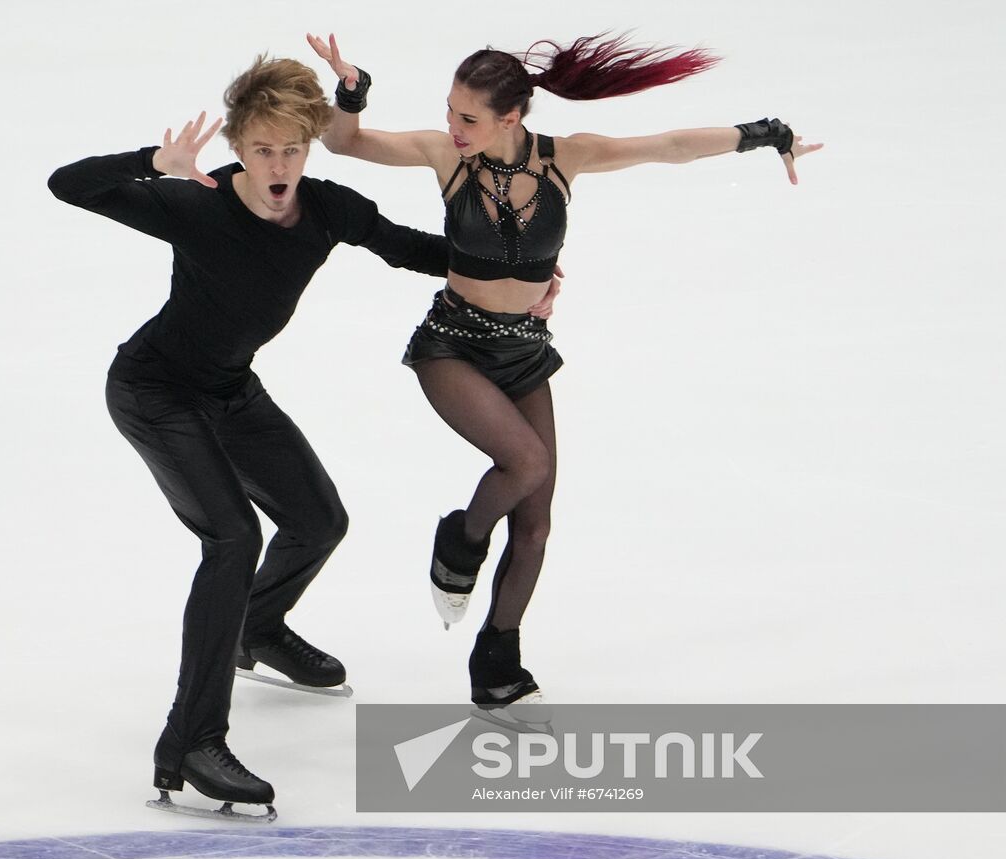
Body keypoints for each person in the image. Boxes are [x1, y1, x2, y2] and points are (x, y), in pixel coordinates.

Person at [306, 31, 822, 725]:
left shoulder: (564, 160)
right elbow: (345, 144)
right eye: (451, 112)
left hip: (524, 350)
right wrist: (351, 90)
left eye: (469, 118)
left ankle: (496, 666)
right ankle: (459, 541)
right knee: (524, 462)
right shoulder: (443, 156)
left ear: (511, 118)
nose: (454, 128)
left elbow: (667, 147)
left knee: (539, 523)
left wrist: (764, 134)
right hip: (452, 344)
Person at [47, 55, 471, 819]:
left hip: (230, 391)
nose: (280, 167)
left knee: (318, 520)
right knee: (233, 540)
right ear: (239, 148)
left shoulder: (328, 208)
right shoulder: (196, 202)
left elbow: (412, 249)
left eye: (293, 150)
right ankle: (190, 744)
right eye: (265, 150)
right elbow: (67, 184)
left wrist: (513, 269)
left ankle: (258, 629)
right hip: (155, 392)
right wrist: (154, 164)